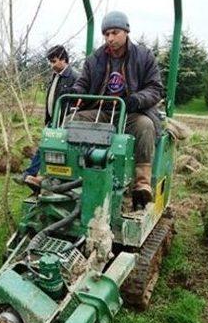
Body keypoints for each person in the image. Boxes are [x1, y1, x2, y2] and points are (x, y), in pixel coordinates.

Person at [70, 11, 163, 210]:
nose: (110, 38)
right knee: (72, 120)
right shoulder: (95, 59)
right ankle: (72, 172)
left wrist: (135, 100)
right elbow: (83, 83)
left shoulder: (143, 56)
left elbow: (155, 88)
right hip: (103, 111)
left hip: (132, 112)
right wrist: (76, 93)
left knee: (145, 126)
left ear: (126, 31)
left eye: (114, 33)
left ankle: (142, 183)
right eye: (106, 34)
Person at [16, 45, 78, 187]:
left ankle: (41, 178)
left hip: (63, 122)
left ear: (63, 59)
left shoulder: (74, 77)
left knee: (52, 150)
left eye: (54, 61)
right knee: (44, 146)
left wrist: (66, 121)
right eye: (50, 61)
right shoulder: (55, 76)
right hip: (53, 119)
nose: (51, 65)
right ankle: (32, 176)